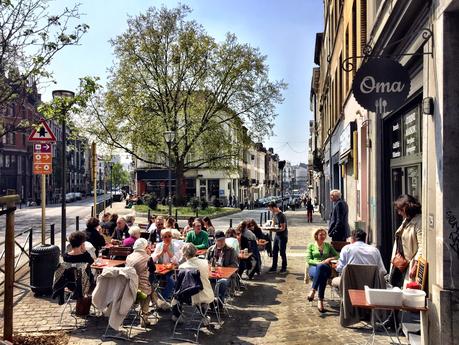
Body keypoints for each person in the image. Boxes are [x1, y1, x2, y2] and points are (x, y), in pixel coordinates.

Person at [171, 243, 214, 322]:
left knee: (176, 295)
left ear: (184, 254)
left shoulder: (182, 267)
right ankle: (204, 316)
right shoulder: (205, 263)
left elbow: (180, 285)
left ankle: (177, 316)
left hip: (189, 296)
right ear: (195, 252)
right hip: (206, 293)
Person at [390, 194, 422, 288]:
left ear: (407, 207)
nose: (399, 213)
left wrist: (415, 265)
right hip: (400, 263)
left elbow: (422, 246)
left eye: (400, 209)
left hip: (409, 264)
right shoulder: (407, 219)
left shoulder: (418, 221)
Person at [306, 228, 339, 312]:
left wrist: (330, 258)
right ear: (316, 235)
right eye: (321, 234)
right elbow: (308, 260)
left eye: (324, 234)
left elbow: (338, 256)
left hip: (326, 268)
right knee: (322, 274)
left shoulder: (328, 245)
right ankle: (320, 300)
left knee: (322, 268)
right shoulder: (311, 245)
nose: (323, 236)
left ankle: (313, 291)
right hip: (313, 268)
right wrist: (319, 263)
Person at [125, 238, 154, 326]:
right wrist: (149, 254)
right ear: (145, 247)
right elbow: (153, 269)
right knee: (149, 291)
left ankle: (158, 302)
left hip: (128, 287)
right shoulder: (148, 258)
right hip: (140, 290)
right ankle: (144, 317)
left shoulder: (129, 257)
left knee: (148, 288)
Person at [206, 231, 238, 304]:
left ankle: (219, 304)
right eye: (219, 240)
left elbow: (235, 265)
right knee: (203, 281)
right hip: (212, 275)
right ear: (215, 241)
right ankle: (210, 302)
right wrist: (210, 265)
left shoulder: (231, 250)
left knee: (222, 282)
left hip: (226, 276)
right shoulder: (210, 250)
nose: (221, 242)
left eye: (223, 240)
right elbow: (206, 263)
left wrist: (223, 268)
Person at [152, 229, 178, 300]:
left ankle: (162, 299)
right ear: (162, 238)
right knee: (149, 278)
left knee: (171, 281)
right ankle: (154, 297)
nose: (167, 238)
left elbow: (176, 261)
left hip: (171, 270)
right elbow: (152, 259)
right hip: (160, 270)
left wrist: (168, 251)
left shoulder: (175, 246)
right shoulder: (159, 245)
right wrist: (162, 252)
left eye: (169, 236)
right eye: (165, 237)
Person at [267, 201, 288, 273]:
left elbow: (283, 228)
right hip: (277, 235)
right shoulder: (274, 214)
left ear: (274, 208)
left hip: (282, 236)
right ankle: (274, 267)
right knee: (274, 251)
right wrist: (271, 227)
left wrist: (274, 230)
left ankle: (284, 267)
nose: (270, 211)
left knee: (282, 252)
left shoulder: (281, 215)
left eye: (270, 209)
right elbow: (273, 221)